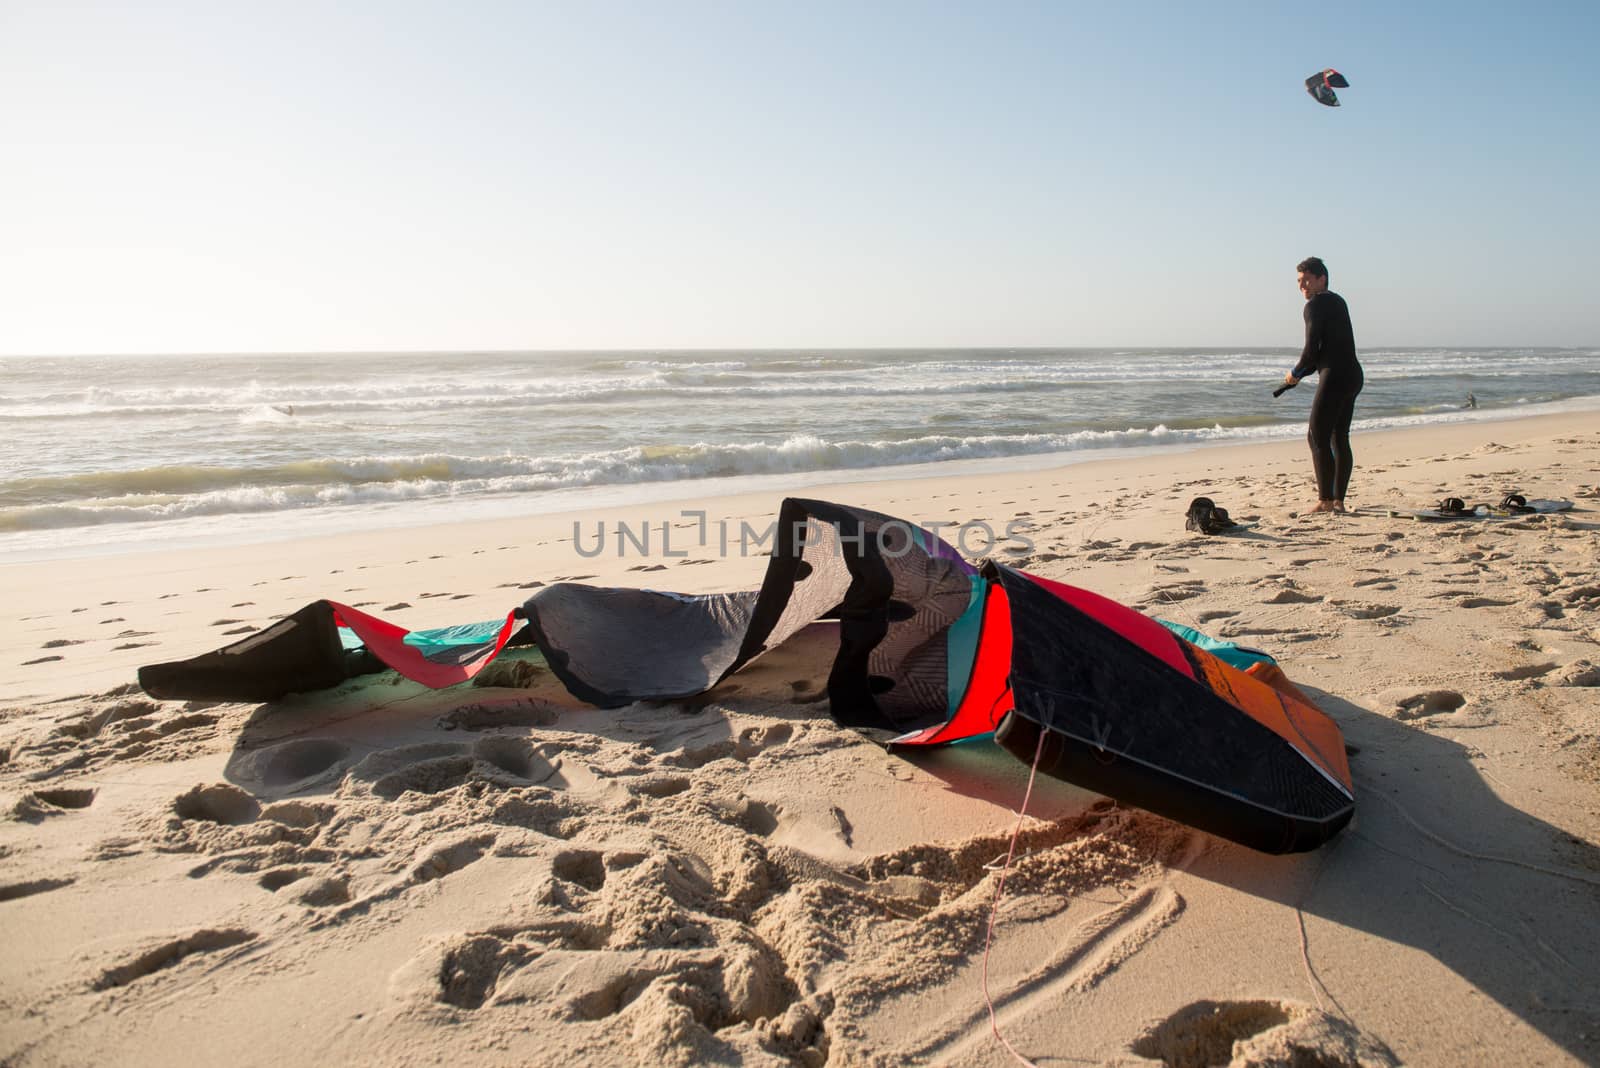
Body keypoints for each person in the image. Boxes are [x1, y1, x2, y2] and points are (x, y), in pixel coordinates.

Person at [1282, 256, 1363, 513]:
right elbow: (1325, 349)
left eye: (1306, 280)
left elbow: (1311, 350)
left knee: (1316, 437)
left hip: (1335, 376)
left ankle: (1325, 501)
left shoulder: (1314, 305)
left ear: (1321, 279)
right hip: (1353, 375)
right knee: (1339, 437)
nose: (1302, 286)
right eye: (1299, 281)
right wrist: (1304, 371)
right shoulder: (1338, 301)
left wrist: (1295, 374)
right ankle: (1338, 501)